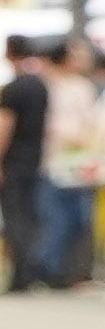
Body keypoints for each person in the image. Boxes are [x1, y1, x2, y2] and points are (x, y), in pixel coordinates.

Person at [0, 33, 57, 294]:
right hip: (34, 160)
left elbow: (5, 126)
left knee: (12, 219)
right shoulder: (41, 85)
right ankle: (30, 271)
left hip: (13, 161)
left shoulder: (13, 88)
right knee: (30, 217)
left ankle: (18, 274)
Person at [44, 38, 104, 290]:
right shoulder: (46, 86)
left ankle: (73, 271)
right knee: (56, 219)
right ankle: (49, 269)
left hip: (81, 163)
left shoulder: (83, 88)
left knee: (80, 220)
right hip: (51, 162)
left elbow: (91, 123)